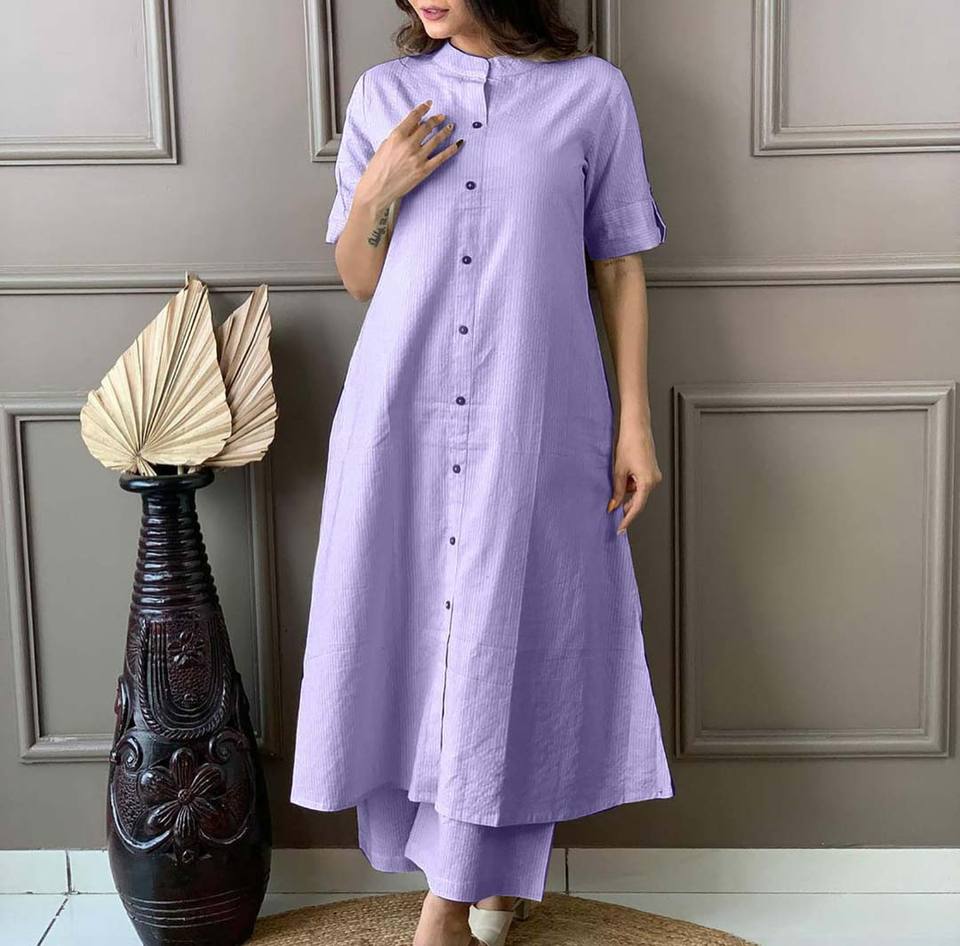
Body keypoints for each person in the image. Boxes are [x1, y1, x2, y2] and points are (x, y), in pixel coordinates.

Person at [290, 2, 676, 944]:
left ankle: (449, 903)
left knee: (510, 633)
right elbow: (359, 278)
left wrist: (634, 424)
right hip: (403, 415)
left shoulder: (592, 95)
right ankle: (485, 880)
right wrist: (378, 187)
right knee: (415, 636)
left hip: (533, 412)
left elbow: (618, 267)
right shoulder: (385, 94)